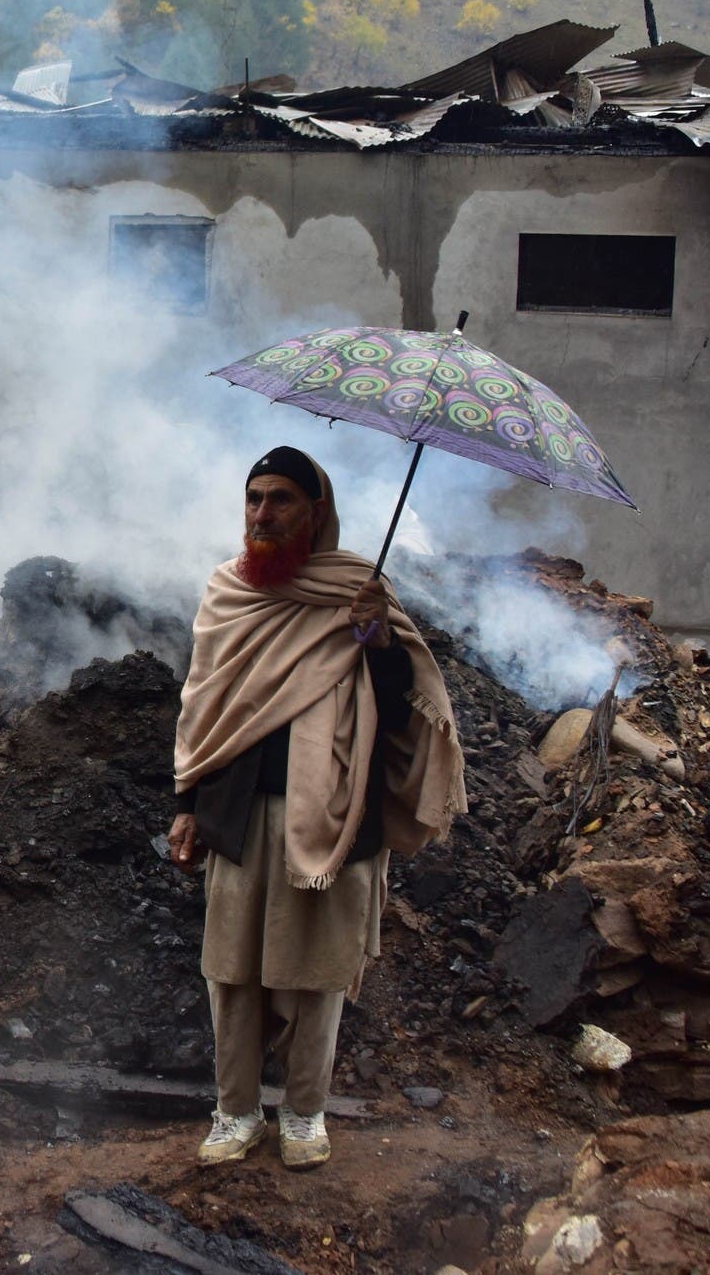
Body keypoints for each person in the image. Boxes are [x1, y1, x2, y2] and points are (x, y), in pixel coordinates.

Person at [167, 446, 465, 1170]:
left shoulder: (356, 591)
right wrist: (186, 803)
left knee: (317, 975)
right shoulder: (229, 592)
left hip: (333, 813)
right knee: (232, 973)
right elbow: (203, 708)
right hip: (239, 814)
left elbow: (400, 714)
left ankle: (303, 1112)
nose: (262, 513)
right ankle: (235, 1111)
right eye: (254, 498)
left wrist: (378, 638)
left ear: (316, 511)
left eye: (281, 500)